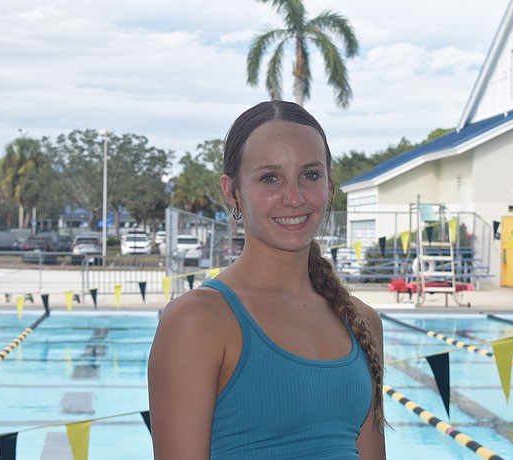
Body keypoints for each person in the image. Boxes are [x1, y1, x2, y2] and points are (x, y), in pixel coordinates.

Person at [148, 100, 386, 459]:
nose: (294, 197)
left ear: (329, 184)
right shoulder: (197, 322)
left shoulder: (361, 321)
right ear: (232, 192)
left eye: (310, 175)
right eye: (270, 178)